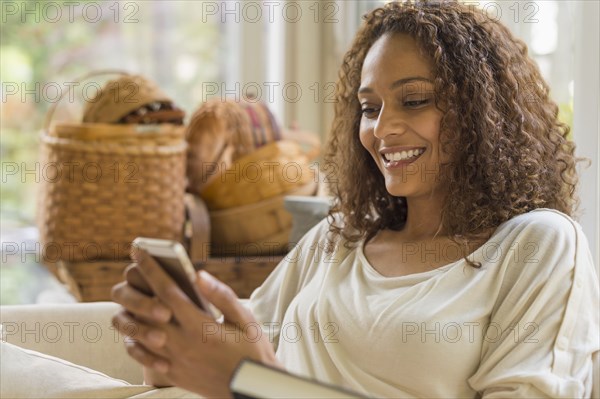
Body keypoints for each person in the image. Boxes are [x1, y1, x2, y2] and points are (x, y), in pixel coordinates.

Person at [111, 1, 599, 398]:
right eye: (369, 108)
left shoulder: (539, 245)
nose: (382, 129)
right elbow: (216, 370)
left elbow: (252, 380)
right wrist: (165, 339)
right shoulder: (339, 237)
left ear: (482, 114)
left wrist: (256, 384)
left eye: (414, 100)